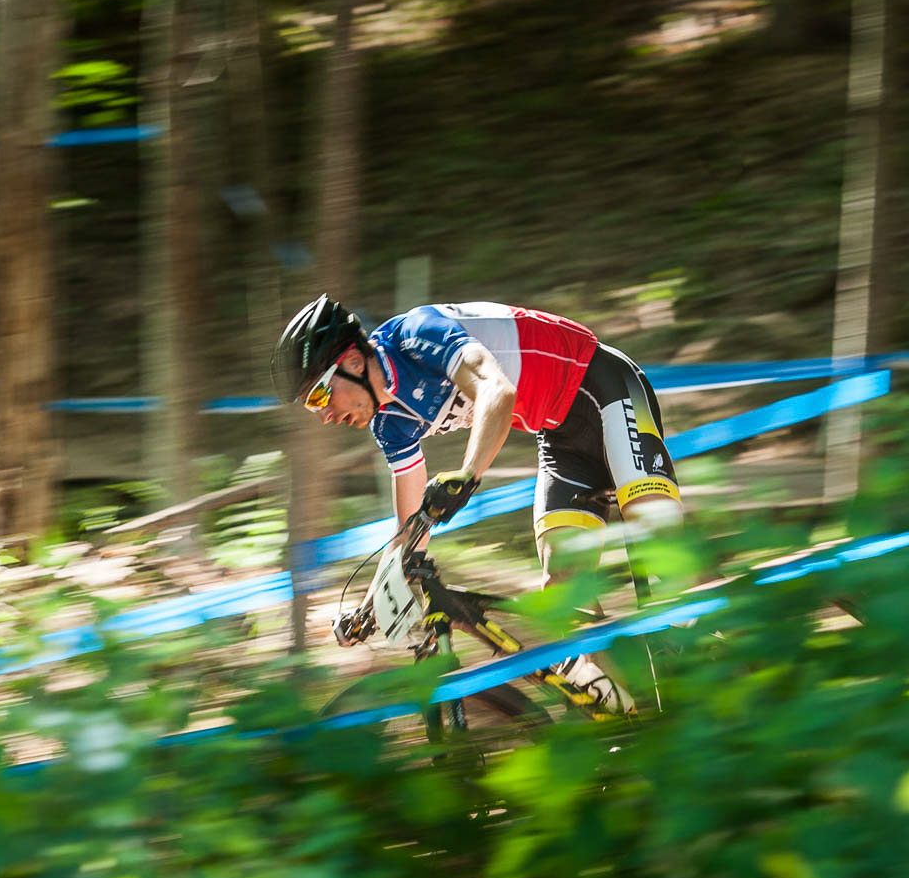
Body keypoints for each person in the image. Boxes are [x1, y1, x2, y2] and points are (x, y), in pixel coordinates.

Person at [272, 295, 682, 712]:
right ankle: (633, 724)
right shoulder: (390, 422)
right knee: (565, 595)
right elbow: (410, 528)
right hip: (561, 439)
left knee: (663, 560)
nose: (323, 415)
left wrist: (468, 474)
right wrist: (368, 608)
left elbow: (496, 390)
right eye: (312, 406)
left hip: (606, 389)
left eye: (320, 396)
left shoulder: (417, 335)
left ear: (353, 362)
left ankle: (702, 673)